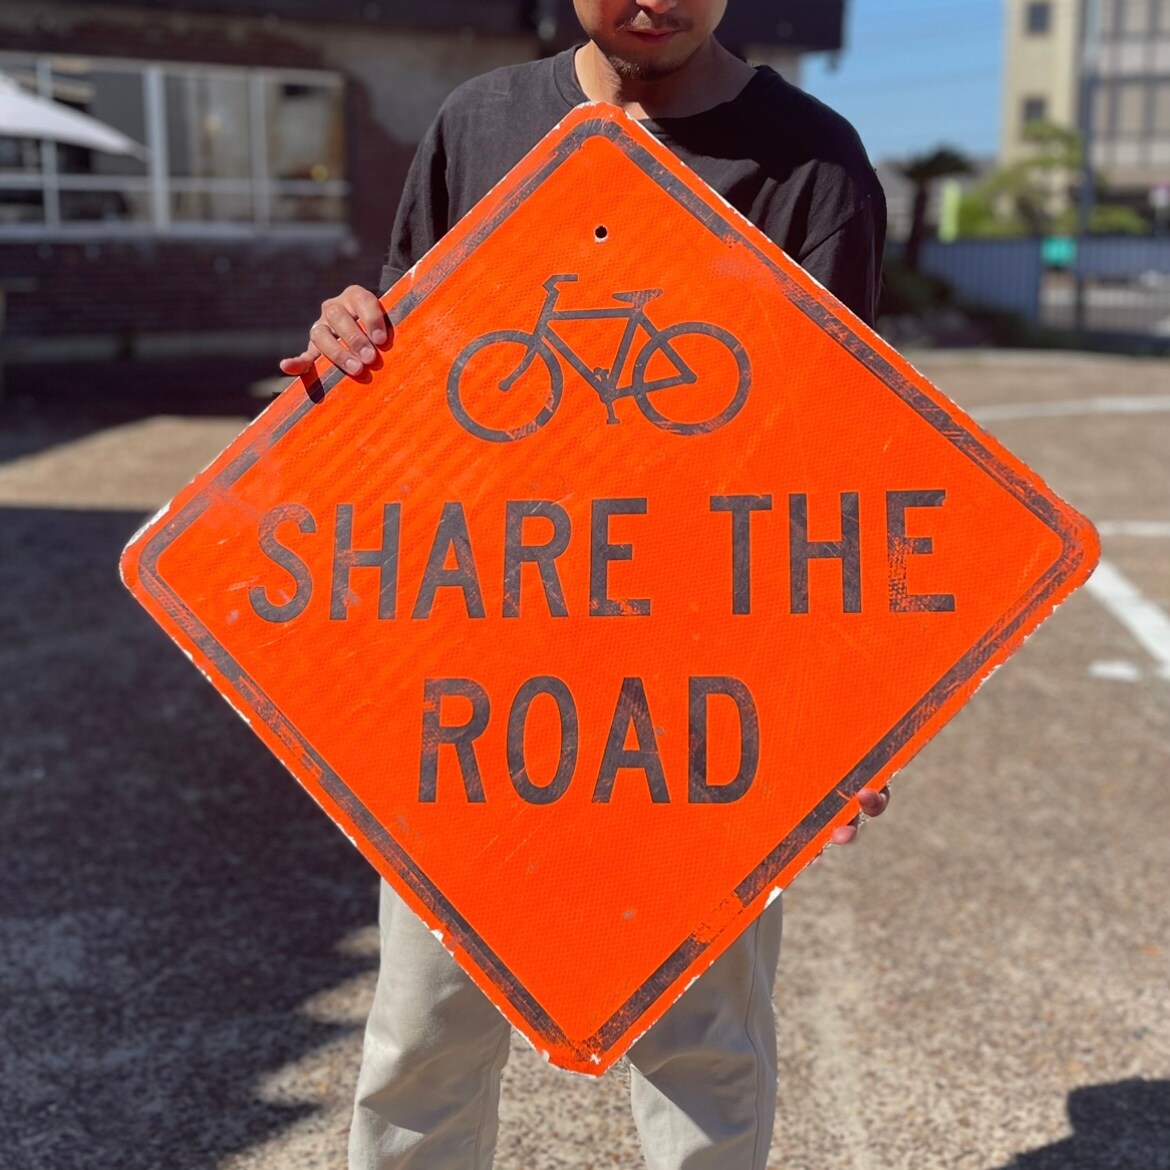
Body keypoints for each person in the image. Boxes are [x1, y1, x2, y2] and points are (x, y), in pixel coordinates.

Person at [280, 2, 890, 1167]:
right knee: (420, 1038)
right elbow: (406, 375)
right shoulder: (484, 121)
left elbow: (836, 467)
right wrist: (351, 336)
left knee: (704, 1047)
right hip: (480, 677)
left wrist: (840, 716)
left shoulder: (815, 159)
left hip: (701, 694)